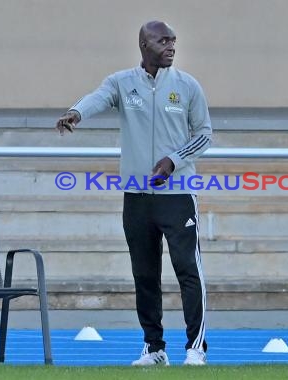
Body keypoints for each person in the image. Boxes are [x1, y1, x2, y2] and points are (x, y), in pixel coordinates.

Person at [55, 20, 211, 366]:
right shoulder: (122, 83)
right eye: (163, 41)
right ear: (144, 45)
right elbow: (98, 97)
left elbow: (204, 134)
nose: (171, 46)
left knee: (188, 269)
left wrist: (174, 160)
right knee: (144, 273)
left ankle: (196, 348)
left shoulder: (187, 86)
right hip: (136, 196)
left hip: (178, 194)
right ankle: (154, 348)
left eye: (174, 41)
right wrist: (77, 112)